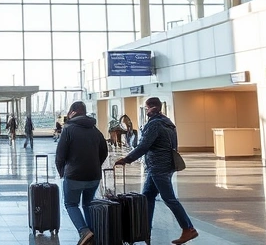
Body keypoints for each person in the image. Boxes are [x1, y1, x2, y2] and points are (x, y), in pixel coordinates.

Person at [115, 97, 198, 245]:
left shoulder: (154, 125)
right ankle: (145, 230)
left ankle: (188, 228)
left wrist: (127, 159)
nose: (146, 111)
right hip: (165, 165)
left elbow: (144, 146)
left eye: (146, 108)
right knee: (147, 196)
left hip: (158, 166)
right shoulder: (168, 123)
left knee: (169, 198)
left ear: (153, 108)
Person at [55, 101, 108, 245]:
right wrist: (95, 166)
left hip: (74, 176)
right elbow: (104, 152)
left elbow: (60, 155)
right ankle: (92, 236)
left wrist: (62, 172)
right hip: (94, 176)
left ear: (72, 112)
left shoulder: (68, 129)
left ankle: (84, 231)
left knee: (71, 204)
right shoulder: (96, 130)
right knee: (87, 204)